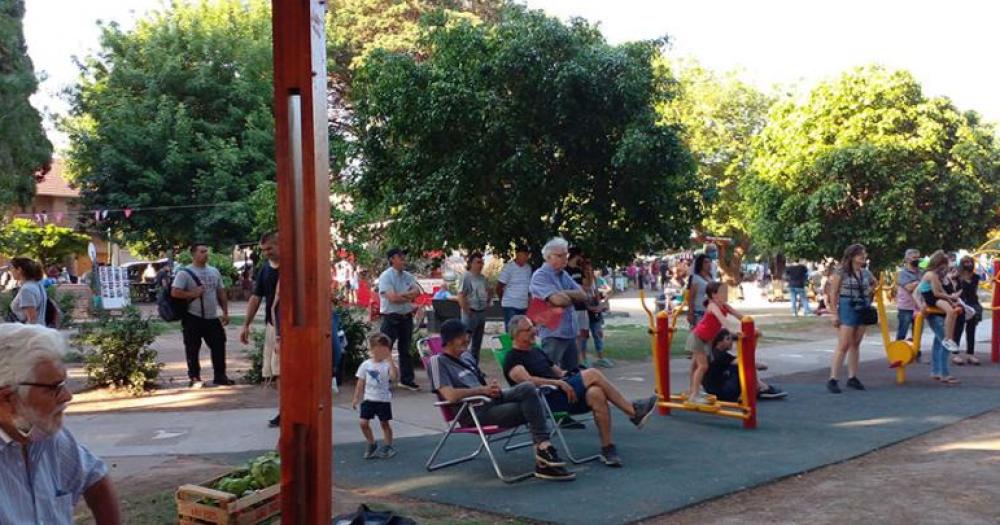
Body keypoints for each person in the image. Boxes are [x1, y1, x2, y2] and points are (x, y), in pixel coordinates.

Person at [0, 324, 122, 524]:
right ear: (7, 398)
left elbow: (96, 480)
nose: (68, 396)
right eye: (53, 388)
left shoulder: (46, 436)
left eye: (64, 384)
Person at [428, 319, 575, 481]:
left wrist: (492, 389)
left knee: (528, 387)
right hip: (473, 412)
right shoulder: (437, 361)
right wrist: (482, 390)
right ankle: (544, 455)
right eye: (462, 336)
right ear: (449, 340)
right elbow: (450, 395)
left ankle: (543, 451)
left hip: (490, 401)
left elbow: (481, 386)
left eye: (467, 335)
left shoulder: (467, 358)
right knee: (534, 407)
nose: (467, 339)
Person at [503, 315, 657, 467]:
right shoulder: (512, 358)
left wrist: (571, 375)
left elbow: (559, 372)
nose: (535, 331)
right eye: (529, 329)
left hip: (563, 394)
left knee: (596, 392)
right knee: (593, 373)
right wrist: (557, 383)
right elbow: (527, 382)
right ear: (517, 334)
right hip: (545, 401)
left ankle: (607, 448)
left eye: (533, 326)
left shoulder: (537, 351)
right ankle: (633, 411)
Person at [171, 243, 233, 388]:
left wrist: (225, 312)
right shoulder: (185, 273)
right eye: (202, 251)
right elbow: (175, 292)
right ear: (193, 254)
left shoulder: (214, 271)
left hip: (212, 317)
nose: (206, 254)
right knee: (192, 348)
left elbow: (221, 292)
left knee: (219, 345)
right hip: (193, 317)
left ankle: (220, 376)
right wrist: (193, 293)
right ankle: (194, 377)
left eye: (207, 251)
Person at [239, 233, 280, 427]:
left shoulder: (292, 267)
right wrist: (246, 324)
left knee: (282, 372)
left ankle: (288, 410)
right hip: (272, 325)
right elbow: (256, 298)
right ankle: (285, 408)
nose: (265, 253)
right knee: (273, 373)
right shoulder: (265, 270)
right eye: (263, 250)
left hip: (289, 327)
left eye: (269, 249)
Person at [530, 238, 588, 372]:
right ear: (548, 257)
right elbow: (559, 301)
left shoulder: (563, 274)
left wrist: (562, 293)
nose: (565, 259)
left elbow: (583, 295)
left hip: (569, 332)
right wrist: (569, 297)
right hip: (553, 332)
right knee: (548, 372)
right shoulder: (540, 276)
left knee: (572, 373)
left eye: (566, 255)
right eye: (560, 255)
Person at [684, 281, 745, 404]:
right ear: (713, 295)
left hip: (705, 339)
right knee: (703, 366)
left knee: (695, 365)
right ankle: (694, 396)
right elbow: (722, 320)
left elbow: (740, 316)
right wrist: (734, 331)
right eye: (722, 292)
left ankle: (693, 390)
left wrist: (750, 325)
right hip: (698, 337)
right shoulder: (712, 306)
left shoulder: (725, 306)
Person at [827, 244, 874, 393]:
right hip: (847, 305)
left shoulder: (865, 273)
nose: (863, 257)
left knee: (856, 343)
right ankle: (833, 378)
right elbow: (833, 293)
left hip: (862, 305)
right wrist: (834, 314)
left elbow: (875, 284)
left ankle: (852, 377)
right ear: (852, 256)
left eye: (864, 254)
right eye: (860, 254)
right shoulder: (841, 272)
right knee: (844, 344)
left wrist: (869, 292)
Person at [377, 248, 421, 391]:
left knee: (405, 349)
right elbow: (392, 298)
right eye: (400, 257)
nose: (404, 260)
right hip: (391, 317)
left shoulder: (408, 276)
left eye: (403, 257)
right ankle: (382, 380)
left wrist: (402, 296)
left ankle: (407, 380)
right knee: (384, 348)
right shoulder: (386, 277)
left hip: (406, 317)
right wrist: (408, 296)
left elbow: (417, 292)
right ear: (392, 260)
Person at [703, 329, 787, 402]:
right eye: (728, 339)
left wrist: (747, 335)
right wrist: (763, 365)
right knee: (743, 365)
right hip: (722, 392)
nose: (731, 342)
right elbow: (747, 362)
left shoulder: (713, 352)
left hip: (712, 390)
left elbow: (729, 334)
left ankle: (760, 387)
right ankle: (762, 388)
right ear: (719, 342)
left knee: (740, 364)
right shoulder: (721, 355)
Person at [918, 251, 962, 383]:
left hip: (934, 305)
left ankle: (936, 371)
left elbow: (941, 291)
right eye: (945, 265)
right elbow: (936, 293)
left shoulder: (938, 276)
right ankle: (944, 373)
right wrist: (950, 298)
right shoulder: (931, 275)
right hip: (932, 305)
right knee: (944, 341)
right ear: (939, 264)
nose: (947, 267)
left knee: (938, 342)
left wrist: (951, 299)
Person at [352, 333, 398, 459]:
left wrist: (390, 360)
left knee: (384, 423)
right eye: (378, 349)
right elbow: (360, 381)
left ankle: (388, 445)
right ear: (372, 350)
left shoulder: (387, 365)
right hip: (369, 399)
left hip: (383, 400)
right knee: (363, 423)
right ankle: (372, 443)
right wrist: (356, 397)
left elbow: (394, 377)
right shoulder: (366, 365)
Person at [458, 252, 492, 363]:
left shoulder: (483, 278)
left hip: (481, 312)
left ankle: (475, 367)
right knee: (465, 341)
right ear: (471, 263)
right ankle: (463, 364)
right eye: (478, 262)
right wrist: (467, 311)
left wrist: (487, 303)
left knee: (477, 344)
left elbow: (488, 291)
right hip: (471, 313)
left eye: (482, 262)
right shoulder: (466, 277)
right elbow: (461, 295)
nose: (481, 265)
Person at [952, 255, 983, 366]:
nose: (968, 264)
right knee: (958, 329)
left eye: (970, 262)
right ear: (961, 264)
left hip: (973, 304)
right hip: (961, 304)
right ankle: (955, 354)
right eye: (965, 262)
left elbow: (974, 291)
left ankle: (970, 354)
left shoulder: (976, 277)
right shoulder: (956, 277)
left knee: (971, 329)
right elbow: (953, 289)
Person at [581, 259, 612, 368]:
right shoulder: (581, 280)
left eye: (591, 269)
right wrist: (589, 307)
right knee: (584, 336)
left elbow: (597, 294)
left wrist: (600, 305)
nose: (589, 271)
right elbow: (583, 295)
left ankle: (601, 357)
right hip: (585, 311)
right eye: (586, 269)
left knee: (598, 334)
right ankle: (583, 359)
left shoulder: (595, 279)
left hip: (595, 310)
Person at [497, 245, 533, 329]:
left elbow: (529, 287)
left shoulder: (528, 268)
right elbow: (499, 286)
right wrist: (502, 299)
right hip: (510, 305)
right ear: (517, 254)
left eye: (526, 255)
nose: (525, 257)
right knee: (511, 330)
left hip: (523, 305)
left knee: (522, 330)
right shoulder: (508, 267)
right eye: (523, 255)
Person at [895, 249, 923, 347]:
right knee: (902, 332)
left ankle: (916, 352)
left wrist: (916, 283)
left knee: (917, 333)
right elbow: (909, 288)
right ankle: (897, 353)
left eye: (918, 257)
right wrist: (920, 283)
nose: (917, 260)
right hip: (905, 307)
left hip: (919, 306)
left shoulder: (921, 272)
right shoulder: (903, 273)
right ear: (907, 259)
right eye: (914, 258)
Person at [7, 257, 47, 325]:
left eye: (12, 268)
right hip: (39, 329)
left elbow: (32, 319)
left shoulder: (26, 289)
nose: (10, 271)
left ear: (19, 270)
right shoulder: (37, 285)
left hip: (31, 332)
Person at [686, 254, 712, 328]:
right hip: (699, 312)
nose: (709, 264)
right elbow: (691, 297)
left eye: (710, 262)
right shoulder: (696, 278)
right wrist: (690, 313)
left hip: (709, 311)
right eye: (706, 262)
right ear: (700, 264)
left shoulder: (711, 277)